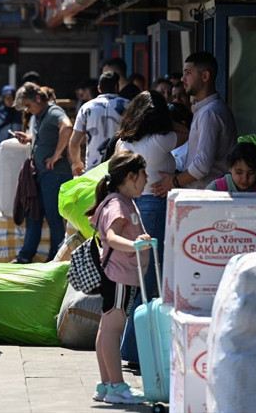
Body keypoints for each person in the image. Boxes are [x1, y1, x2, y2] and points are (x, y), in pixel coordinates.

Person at [113, 91, 178, 367]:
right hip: (154, 206)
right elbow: (188, 132)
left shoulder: (122, 142)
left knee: (139, 279)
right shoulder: (163, 139)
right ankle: (136, 351)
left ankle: (131, 348)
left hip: (132, 207)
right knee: (150, 281)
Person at [87, 150, 151, 405]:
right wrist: (136, 244)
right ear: (131, 175)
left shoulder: (121, 200)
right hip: (120, 276)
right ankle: (116, 386)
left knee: (107, 329)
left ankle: (106, 384)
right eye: (143, 173)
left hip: (119, 275)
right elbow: (111, 237)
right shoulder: (117, 204)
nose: (147, 178)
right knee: (113, 330)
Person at [152, 52, 237, 194]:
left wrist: (174, 181)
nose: (182, 79)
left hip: (206, 198)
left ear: (205, 76)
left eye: (188, 73)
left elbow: (202, 165)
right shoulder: (207, 109)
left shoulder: (210, 112)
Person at [11, 82, 73, 263]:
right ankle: (26, 255)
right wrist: (29, 138)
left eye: (29, 106)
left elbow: (67, 127)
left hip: (54, 174)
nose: (28, 110)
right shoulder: (40, 115)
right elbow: (46, 136)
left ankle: (56, 258)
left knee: (53, 217)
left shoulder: (53, 111)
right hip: (41, 174)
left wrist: (56, 155)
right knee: (35, 215)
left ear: (38, 98)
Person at [69, 72, 129, 176]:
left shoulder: (86, 108)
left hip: (94, 170)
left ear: (99, 89)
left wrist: (76, 163)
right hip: (121, 167)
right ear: (117, 87)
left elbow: (74, 142)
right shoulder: (129, 105)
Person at [0, 85, 22, 150]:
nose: (8, 100)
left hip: (17, 148)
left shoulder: (20, 113)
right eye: (6, 98)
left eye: (10, 97)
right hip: (1, 148)